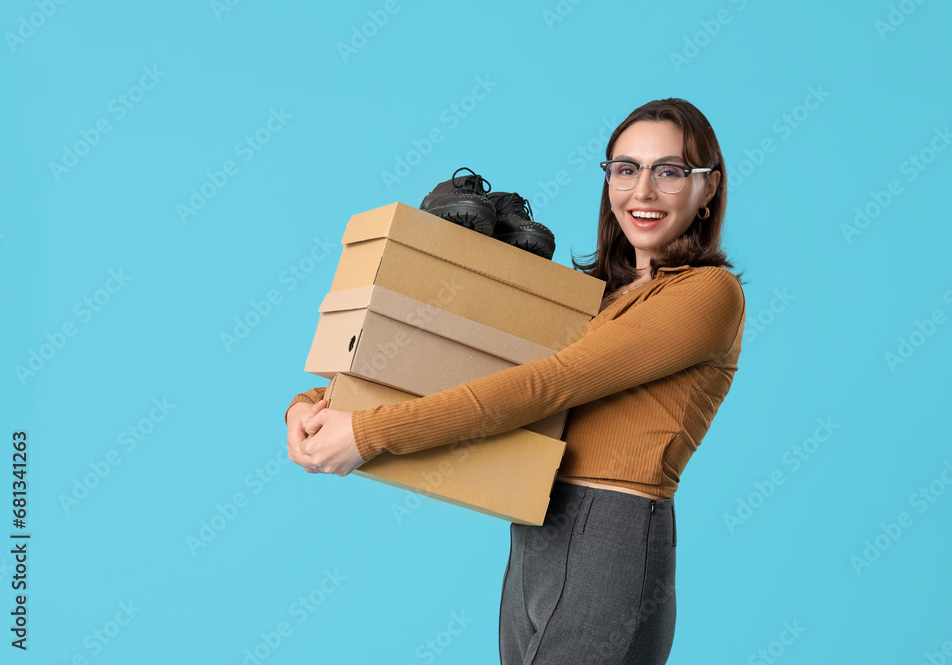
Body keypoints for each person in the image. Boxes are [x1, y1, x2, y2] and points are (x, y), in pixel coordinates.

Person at [284, 97, 746, 665]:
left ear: (709, 190)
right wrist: (311, 403)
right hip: (536, 525)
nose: (642, 192)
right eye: (625, 170)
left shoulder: (707, 294)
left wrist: (368, 433)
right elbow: (471, 367)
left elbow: (545, 387)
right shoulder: (598, 300)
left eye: (669, 172)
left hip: (613, 538)